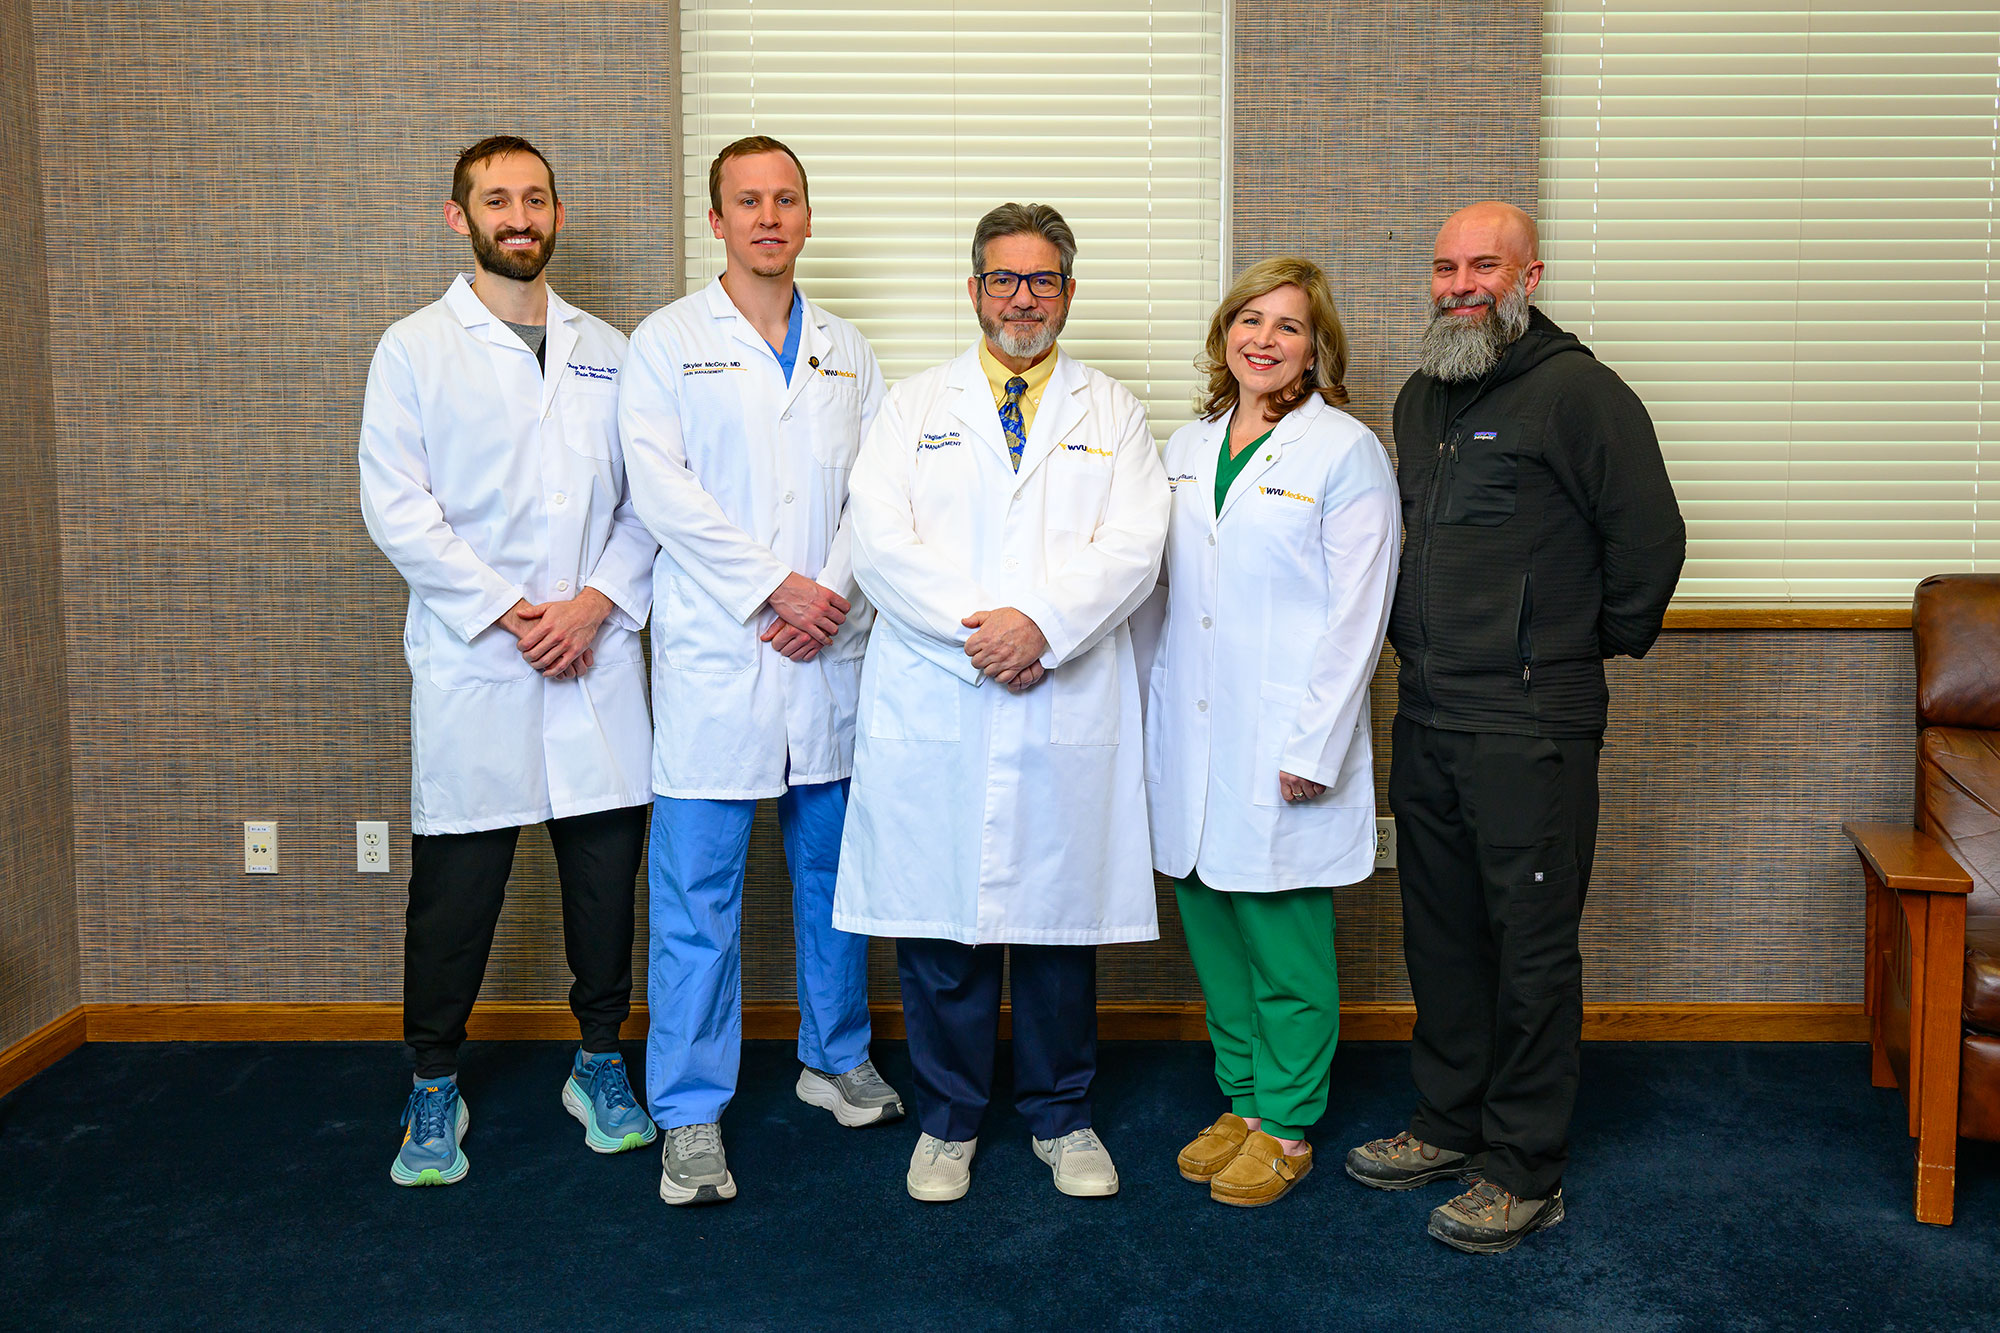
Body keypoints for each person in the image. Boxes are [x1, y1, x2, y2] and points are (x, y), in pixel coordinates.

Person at [1345, 201, 1685, 1253]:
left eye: (1482, 265)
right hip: (1428, 713)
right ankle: (1447, 1122)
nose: (1460, 285)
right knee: (1441, 936)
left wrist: (1567, 650)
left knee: (1529, 950)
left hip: (1532, 726)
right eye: (1444, 266)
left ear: (1527, 275)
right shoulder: (1420, 397)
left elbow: (1650, 543)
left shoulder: (1580, 393)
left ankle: (1523, 1167)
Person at [834, 202, 1170, 1204]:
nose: (1022, 298)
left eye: (1042, 280)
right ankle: (948, 1120)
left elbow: (1135, 544)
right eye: (1004, 279)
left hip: (1061, 689)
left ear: (1068, 291)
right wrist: (982, 634)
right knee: (942, 928)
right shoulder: (912, 407)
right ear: (974, 288)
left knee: (1059, 927)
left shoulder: (1111, 412)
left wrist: (1043, 628)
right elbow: (877, 538)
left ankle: (1062, 1117)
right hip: (944, 688)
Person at [359, 135, 658, 1187]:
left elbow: (648, 504)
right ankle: (433, 1081)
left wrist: (591, 607)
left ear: (557, 215)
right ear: (461, 217)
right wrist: (511, 613)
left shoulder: (612, 351)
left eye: (535, 199)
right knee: (456, 893)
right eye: (497, 200)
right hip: (478, 663)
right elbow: (398, 507)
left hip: (594, 657)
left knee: (605, 883)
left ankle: (599, 1061)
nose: (518, 217)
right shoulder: (413, 348)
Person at [618, 135, 901, 1208]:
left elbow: (877, 494)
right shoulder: (665, 343)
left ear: (806, 218)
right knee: (696, 897)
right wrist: (775, 587)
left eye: (785, 199)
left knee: (835, 881)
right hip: (721, 653)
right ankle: (689, 1110)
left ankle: (835, 1057)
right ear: (717, 221)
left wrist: (827, 590)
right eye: (748, 201)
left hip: (824, 649)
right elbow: (662, 490)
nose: (769, 217)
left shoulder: (846, 350)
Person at [1143, 257, 1400, 1207]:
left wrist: (1313, 745)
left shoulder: (1345, 451)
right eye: (1250, 320)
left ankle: (1287, 1124)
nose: (1265, 339)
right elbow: (1157, 598)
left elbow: (1360, 612)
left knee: (1284, 945)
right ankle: (1245, 1102)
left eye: (1289, 326)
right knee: (1214, 933)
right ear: (1224, 335)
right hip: (1190, 736)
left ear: (1316, 349)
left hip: (1283, 738)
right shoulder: (1185, 446)